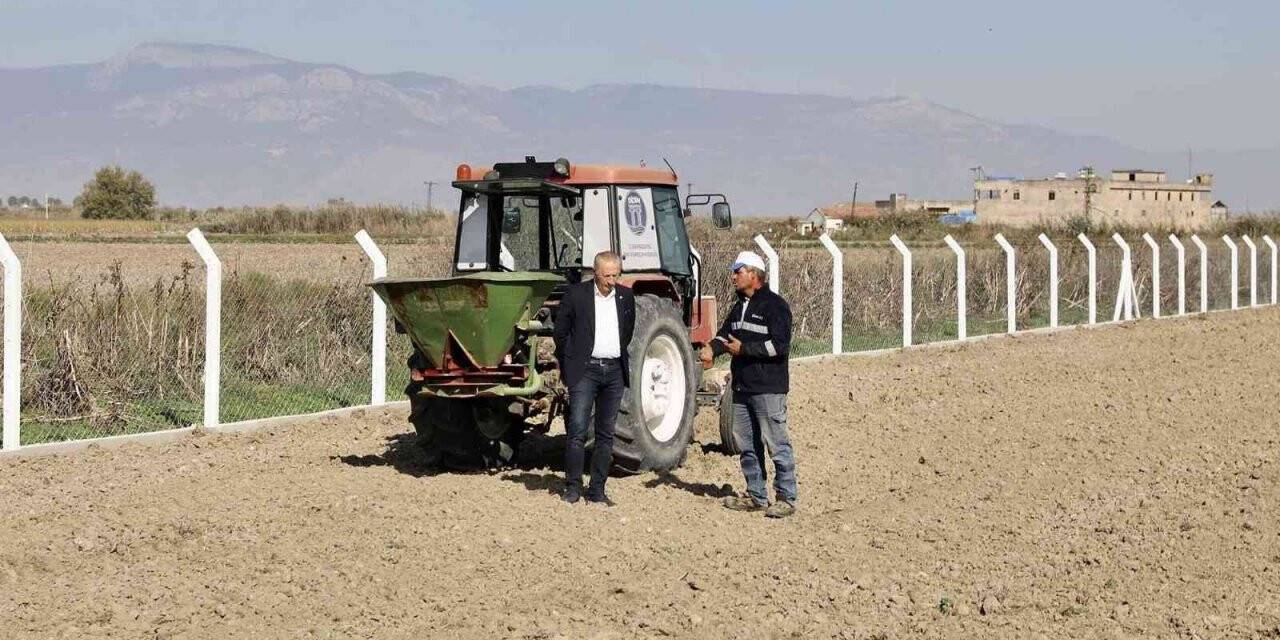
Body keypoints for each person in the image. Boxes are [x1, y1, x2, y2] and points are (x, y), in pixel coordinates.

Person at [700, 251, 797, 518]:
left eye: (737, 271)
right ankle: (756, 495)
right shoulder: (739, 306)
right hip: (741, 387)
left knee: (776, 443)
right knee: (747, 446)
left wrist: (745, 349)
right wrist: (712, 348)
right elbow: (725, 335)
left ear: (753, 274)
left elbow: (780, 345)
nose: (733, 276)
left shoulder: (775, 306)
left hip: (768, 388)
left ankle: (786, 498)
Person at [553, 251, 635, 505]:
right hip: (585, 372)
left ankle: (597, 489)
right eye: (607, 275)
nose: (612, 280)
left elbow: (628, 332)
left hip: (613, 373)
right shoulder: (576, 295)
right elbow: (560, 333)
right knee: (577, 429)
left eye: (616, 275)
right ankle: (573, 487)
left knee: (606, 434)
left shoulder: (625, 297)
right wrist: (571, 364)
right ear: (595, 273)